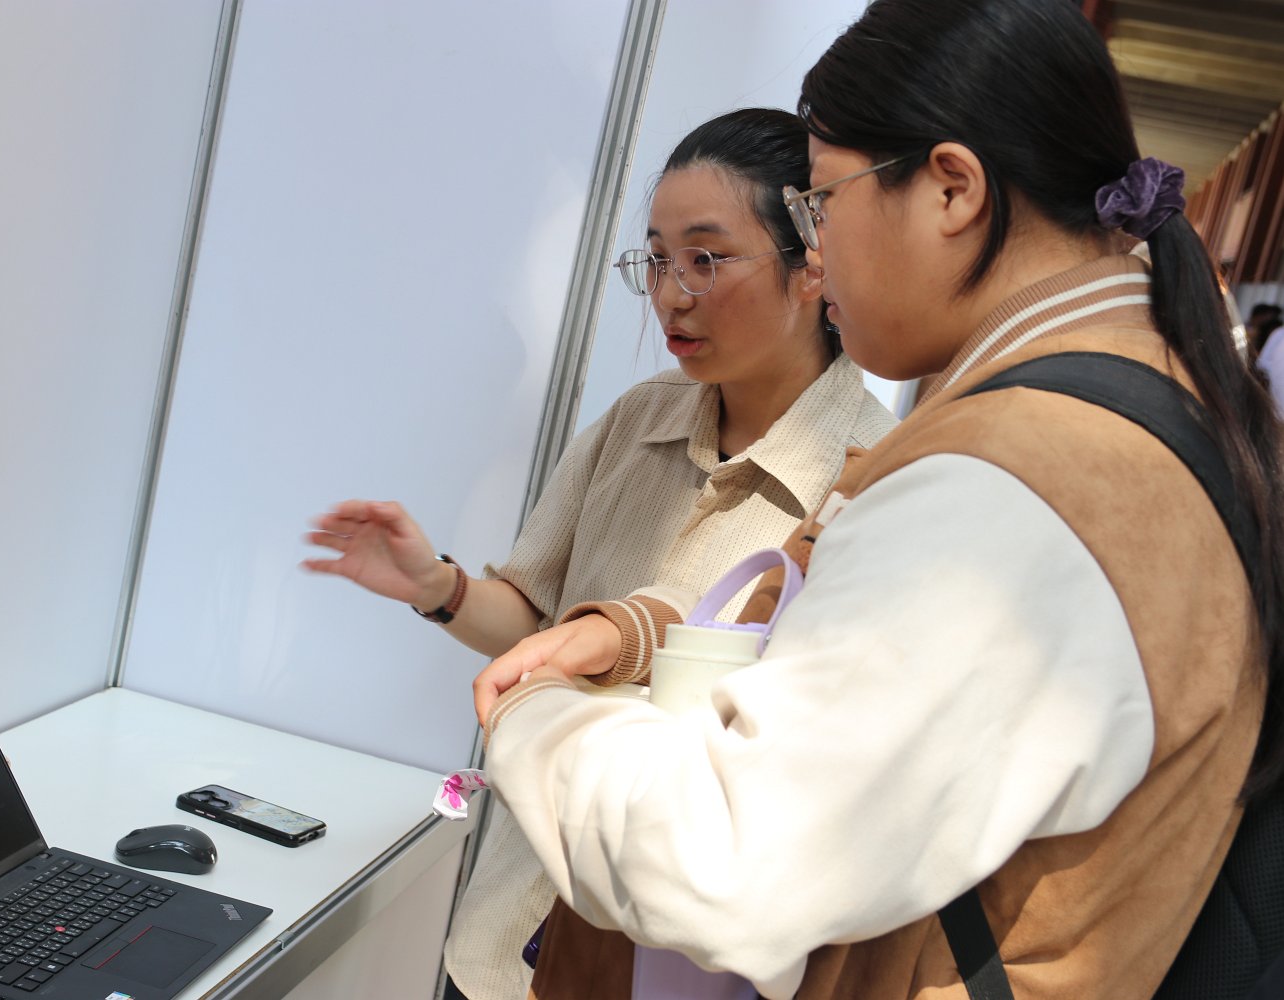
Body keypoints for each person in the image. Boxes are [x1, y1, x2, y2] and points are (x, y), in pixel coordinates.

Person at [472, 1, 1284, 997]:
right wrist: (635, 633)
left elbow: (725, 860)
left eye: (820, 202)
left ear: (951, 188)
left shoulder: (1016, 479)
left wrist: (537, 716)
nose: (816, 253)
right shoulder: (1138, 405)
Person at [303, 108, 896, 1000]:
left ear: (811, 263)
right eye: (656, 260)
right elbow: (536, 625)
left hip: (669, 964)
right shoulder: (638, 419)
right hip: (504, 939)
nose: (671, 295)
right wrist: (439, 587)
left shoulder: (870, 480)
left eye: (706, 258)